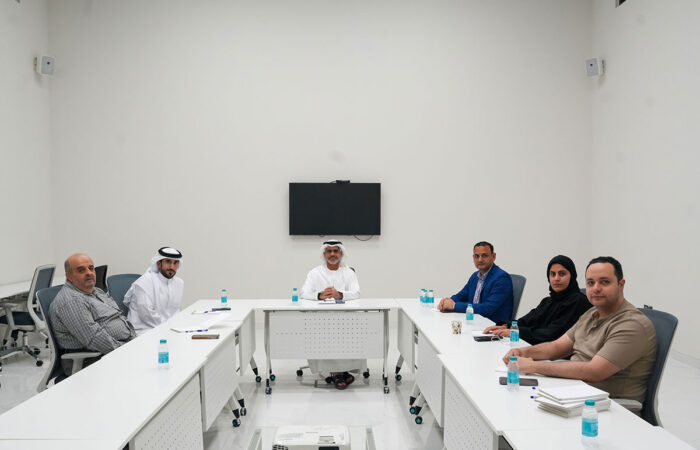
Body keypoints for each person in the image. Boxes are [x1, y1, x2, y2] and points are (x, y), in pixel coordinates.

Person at [502, 256, 657, 402]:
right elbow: (556, 347)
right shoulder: (591, 313)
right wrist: (523, 352)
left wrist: (533, 366)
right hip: (574, 391)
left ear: (621, 284)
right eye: (590, 283)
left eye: (604, 282)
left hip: (607, 404)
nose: (596, 288)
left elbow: (594, 371)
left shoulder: (632, 324)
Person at [50, 254, 136, 374]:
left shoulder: (96, 291)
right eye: (81, 270)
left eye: (91, 268)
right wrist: (127, 351)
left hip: (115, 350)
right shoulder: (71, 301)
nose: (89, 273)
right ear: (69, 276)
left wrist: (134, 341)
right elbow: (94, 339)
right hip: (92, 360)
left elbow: (118, 315)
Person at [483, 255, 591, 345]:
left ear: (572, 276)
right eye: (552, 274)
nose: (556, 278)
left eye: (562, 274)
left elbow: (552, 335)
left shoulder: (577, 302)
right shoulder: (549, 301)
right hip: (542, 349)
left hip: (561, 357)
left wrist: (515, 332)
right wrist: (506, 326)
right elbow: (528, 320)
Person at [300, 239, 361, 389]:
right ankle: (337, 372)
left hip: (345, 317)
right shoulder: (314, 273)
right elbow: (304, 293)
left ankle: (341, 370)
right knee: (328, 332)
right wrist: (320, 295)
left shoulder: (349, 273)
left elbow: (356, 293)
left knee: (346, 332)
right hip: (321, 317)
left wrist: (339, 294)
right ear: (324, 254)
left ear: (341, 253)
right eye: (329, 251)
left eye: (336, 251)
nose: (332, 254)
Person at [437, 241, 513, 324]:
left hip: (492, 325)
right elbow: (461, 295)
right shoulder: (475, 276)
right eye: (477, 256)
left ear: (493, 256)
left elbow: (487, 309)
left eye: (484, 255)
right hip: (474, 320)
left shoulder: (502, 278)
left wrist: (454, 305)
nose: (480, 260)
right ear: (473, 257)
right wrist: (447, 301)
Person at [124, 247, 184, 335]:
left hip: (167, 329)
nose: (172, 267)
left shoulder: (179, 283)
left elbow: (176, 311)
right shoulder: (144, 282)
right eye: (168, 262)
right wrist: (169, 328)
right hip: (143, 330)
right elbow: (146, 315)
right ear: (159, 263)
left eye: (175, 263)